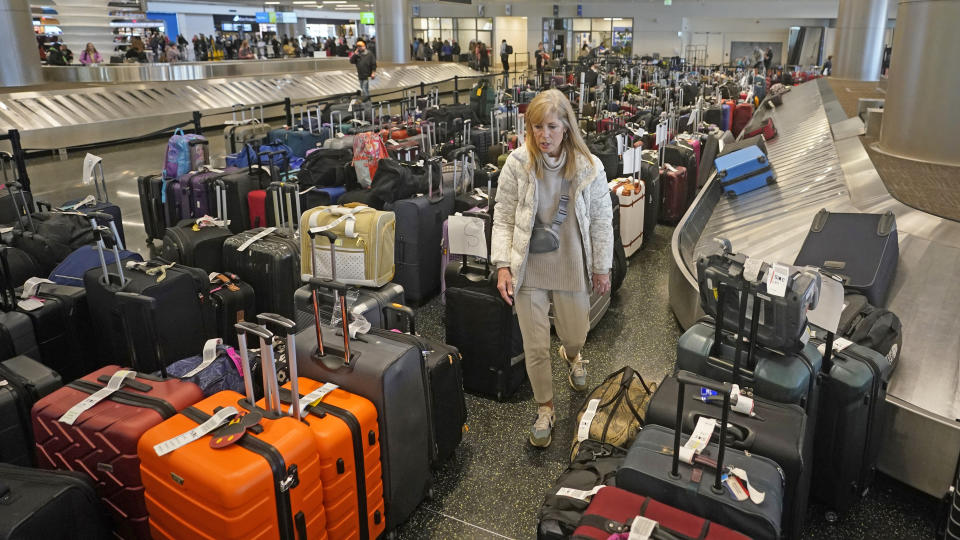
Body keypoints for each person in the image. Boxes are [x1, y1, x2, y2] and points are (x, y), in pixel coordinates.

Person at [491, 89, 613, 448]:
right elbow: (502, 216)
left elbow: (602, 221)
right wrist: (502, 265)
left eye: (551, 127)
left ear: (566, 128)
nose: (543, 136)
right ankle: (545, 407)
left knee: (574, 334)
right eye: (536, 127)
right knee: (535, 346)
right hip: (529, 268)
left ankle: (572, 354)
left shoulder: (589, 166)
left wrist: (602, 267)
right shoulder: (517, 164)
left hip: (571, 264)